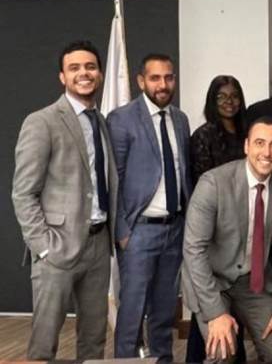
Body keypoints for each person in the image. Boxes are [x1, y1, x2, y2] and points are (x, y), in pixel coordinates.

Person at [11, 40, 118, 360]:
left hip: (99, 245)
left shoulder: (101, 122)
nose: (84, 73)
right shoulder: (42, 121)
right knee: (44, 344)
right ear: (62, 77)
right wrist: (43, 246)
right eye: (74, 68)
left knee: (94, 340)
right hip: (57, 246)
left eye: (90, 67)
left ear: (100, 73)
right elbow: (23, 192)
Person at [181, 116, 272, 362]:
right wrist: (215, 314)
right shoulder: (213, 183)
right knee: (222, 353)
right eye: (259, 143)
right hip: (212, 281)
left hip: (253, 283)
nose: (266, 152)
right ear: (246, 146)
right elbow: (193, 250)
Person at [108, 53, 193, 361]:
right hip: (139, 232)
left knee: (164, 313)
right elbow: (114, 179)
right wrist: (122, 233)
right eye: (155, 78)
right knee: (131, 315)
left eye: (168, 77)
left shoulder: (180, 119)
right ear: (141, 81)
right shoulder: (122, 119)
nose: (163, 84)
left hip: (174, 229)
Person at [186, 74, 249, 363]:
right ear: (212, 101)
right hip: (215, 227)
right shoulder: (203, 135)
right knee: (210, 299)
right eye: (221, 96)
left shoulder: (247, 132)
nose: (229, 102)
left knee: (237, 295)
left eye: (234, 96)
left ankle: (233, 353)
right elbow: (202, 186)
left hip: (247, 224)